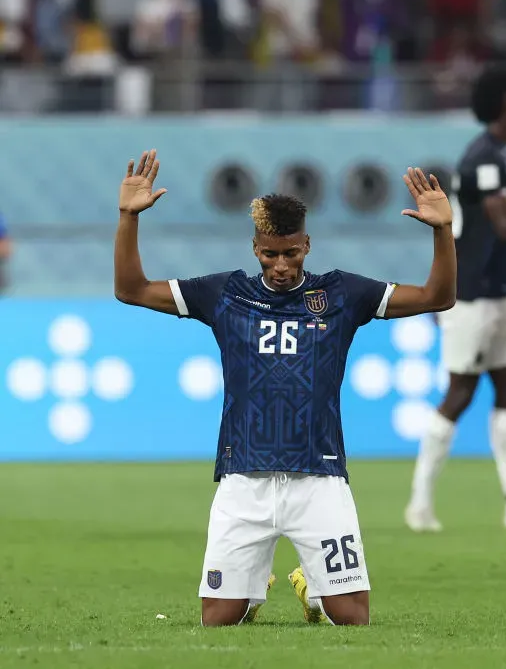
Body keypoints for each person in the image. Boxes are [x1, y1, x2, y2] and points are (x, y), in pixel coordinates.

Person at [114, 150, 456, 627]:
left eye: (291, 253)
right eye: (270, 254)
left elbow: (438, 297)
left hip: (319, 476)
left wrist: (442, 230)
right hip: (243, 476)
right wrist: (128, 217)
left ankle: (311, 589)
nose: (280, 265)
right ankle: (253, 590)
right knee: (219, 620)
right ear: (255, 248)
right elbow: (130, 289)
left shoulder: (341, 294)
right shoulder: (225, 294)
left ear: (307, 245)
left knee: (352, 619)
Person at [405, 65, 506, 533]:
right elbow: (505, 227)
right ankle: (419, 503)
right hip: (471, 297)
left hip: (502, 291)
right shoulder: (483, 157)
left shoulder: (501, 154)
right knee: (460, 392)